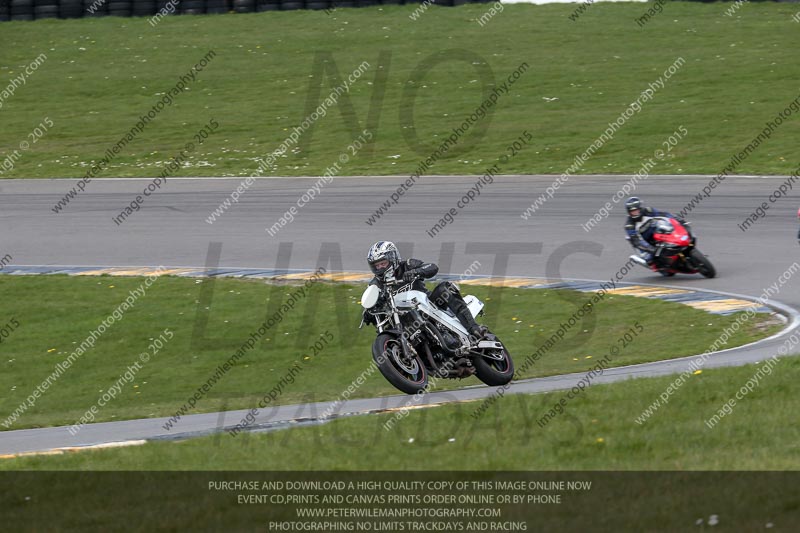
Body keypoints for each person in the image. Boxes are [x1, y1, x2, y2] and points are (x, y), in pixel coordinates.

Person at [365, 241, 488, 340]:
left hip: (430, 305)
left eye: (383, 263)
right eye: (377, 265)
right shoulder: (375, 285)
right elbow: (370, 302)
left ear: (393, 259)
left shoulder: (407, 265)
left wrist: (415, 272)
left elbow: (432, 267)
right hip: (404, 321)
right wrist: (368, 312)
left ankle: (474, 328)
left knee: (445, 288)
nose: (380, 268)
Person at [623, 197, 684, 268]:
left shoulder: (648, 211)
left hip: (656, 233)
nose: (635, 213)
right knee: (650, 260)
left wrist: (678, 220)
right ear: (628, 212)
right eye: (632, 212)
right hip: (644, 242)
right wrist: (651, 249)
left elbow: (664, 215)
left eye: (636, 210)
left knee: (666, 227)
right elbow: (637, 241)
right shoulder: (629, 225)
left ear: (640, 208)